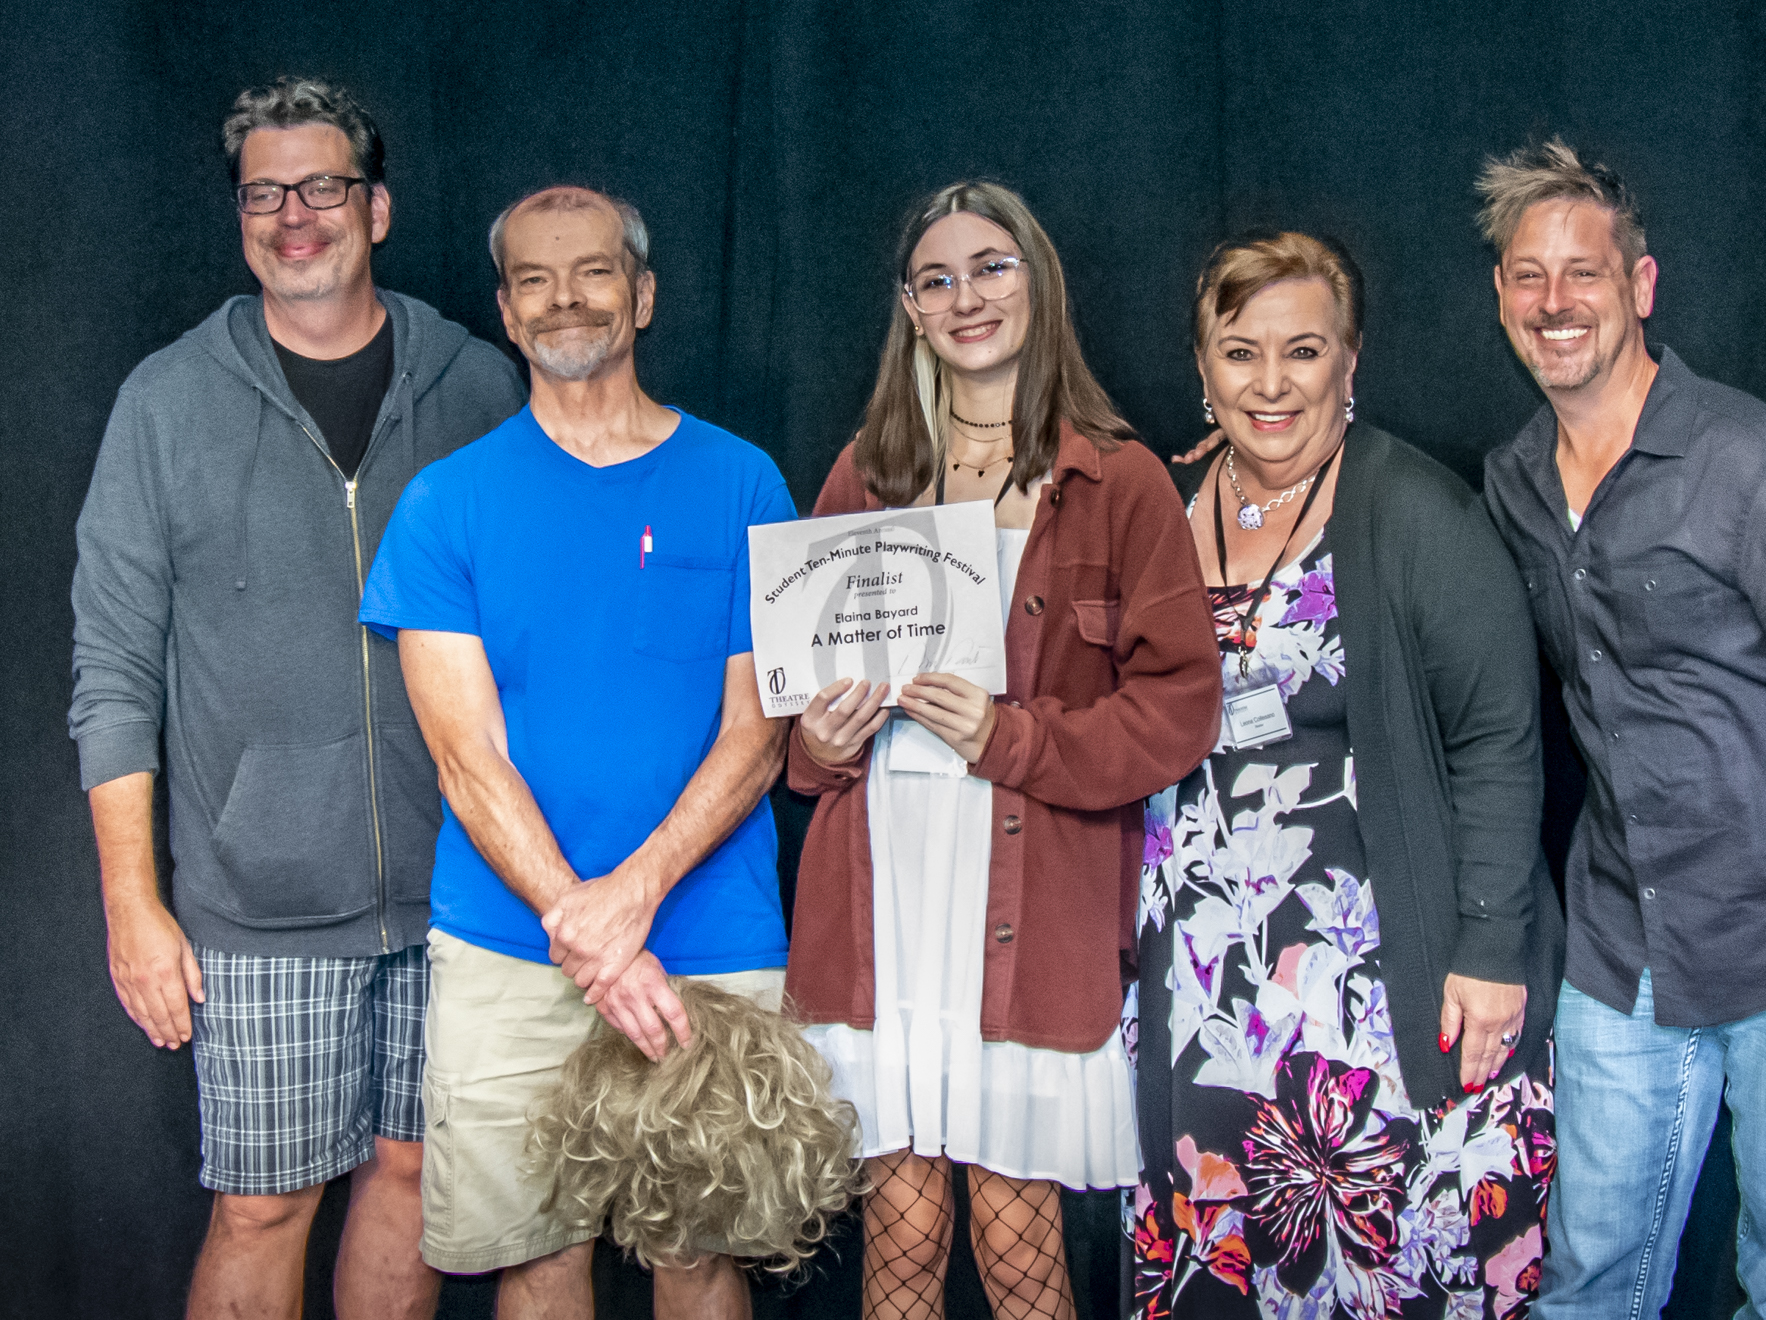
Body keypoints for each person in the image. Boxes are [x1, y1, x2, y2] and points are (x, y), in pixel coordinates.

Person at [68, 77, 522, 1319]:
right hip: (256, 905)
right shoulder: (166, 405)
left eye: (321, 187)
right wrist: (133, 903)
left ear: (374, 208)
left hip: (462, 890)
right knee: (263, 1204)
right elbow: (111, 667)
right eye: (264, 194)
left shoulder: (478, 390)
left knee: (418, 1174)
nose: (293, 216)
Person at [1474, 138, 1766, 1320]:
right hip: (1626, 939)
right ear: (1498, 298)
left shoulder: (1762, 469)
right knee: (1588, 1284)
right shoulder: (1515, 481)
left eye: (1582, 273)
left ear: (1639, 286)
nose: (1553, 302)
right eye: (1527, 277)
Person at [785, 181, 1222, 1320]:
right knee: (902, 1233)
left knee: (1014, 1235)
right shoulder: (864, 474)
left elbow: (1178, 706)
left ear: (1037, 283)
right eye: (937, 278)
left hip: (1025, 903)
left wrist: (1009, 736)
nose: (965, 295)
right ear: (909, 309)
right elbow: (800, 714)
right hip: (885, 896)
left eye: (990, 267)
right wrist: (819, 745)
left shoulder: (1116, 479)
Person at [356, 185, 794, 1320]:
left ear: (641, 295)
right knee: (538, 1258)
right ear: (505, 309)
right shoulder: (444, 505)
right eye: (535, 279)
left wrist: (628, 904)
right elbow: (466, 761)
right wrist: (584, 928)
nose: (566, 300)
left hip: (707, 938)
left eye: (593, 271)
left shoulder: (743, 481)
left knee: (699, 1256)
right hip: (512, 948)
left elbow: (758, 738)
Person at [1133, 232, 1561, 1319]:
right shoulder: (1155, 510)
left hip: (1377, 985)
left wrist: (1489, 948)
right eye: (1238, 353)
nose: (1269, 384)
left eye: (1302, 351)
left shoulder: (1417, 511)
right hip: (1202, 988)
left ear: (1349, 362)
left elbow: (1498, 741)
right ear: (1200, 367)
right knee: (1226, 1265)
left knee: (1384, 1270)